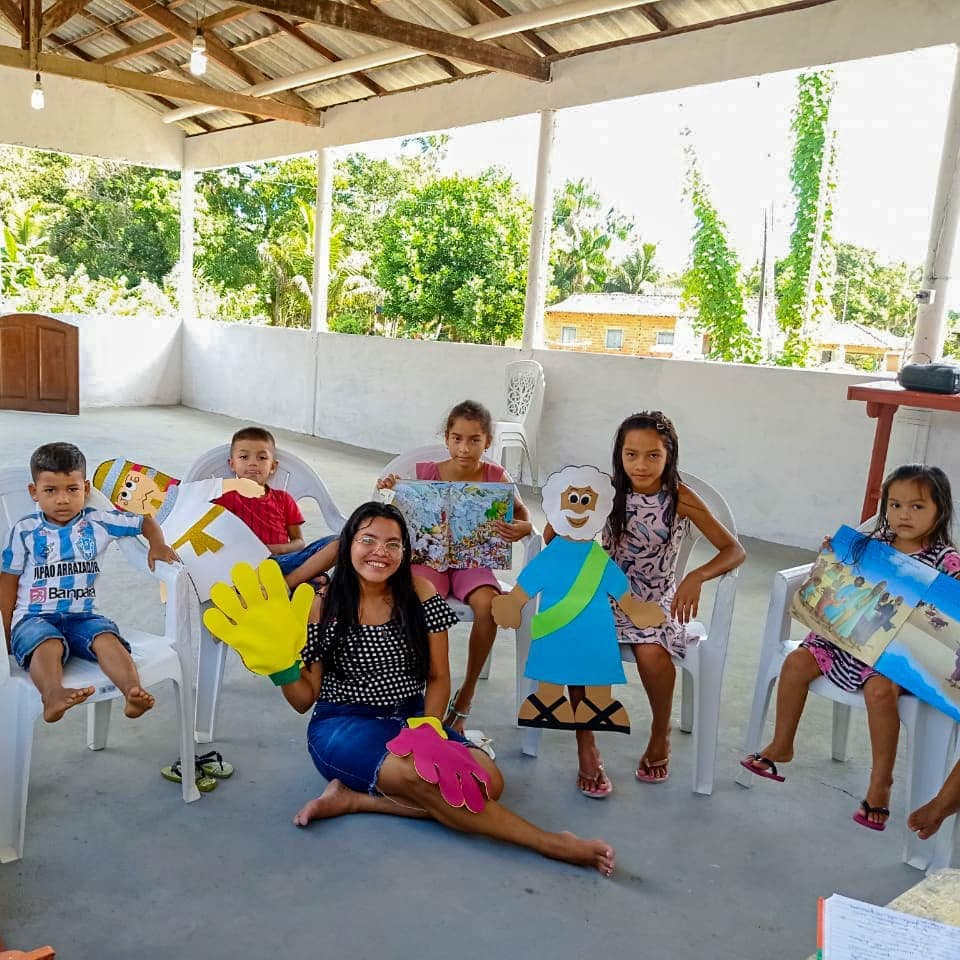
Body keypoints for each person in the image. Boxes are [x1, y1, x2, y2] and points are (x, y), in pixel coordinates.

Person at [256, 501, 615, 875]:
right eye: (368, 540)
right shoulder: (324, 605)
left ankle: (356, 800)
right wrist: (279, 667)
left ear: (405, 551)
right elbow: (303, 700)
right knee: (425, 778)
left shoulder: (420, 592)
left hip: (411, 719)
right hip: (344, 725)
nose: (380, 552)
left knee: (488, 782)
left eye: (393, 544)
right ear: (347, 545)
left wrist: (428, 728)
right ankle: (551, 843)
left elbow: (439, 677)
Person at [741, 464, 960, 831]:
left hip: (895, 655)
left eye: (917, 507)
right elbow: (836, 579)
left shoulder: (946, 561)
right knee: (795, 663)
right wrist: (831, 554)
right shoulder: (871, 546)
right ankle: (782, 744)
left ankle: (880, 783)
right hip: (845, 638)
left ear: (941, 510)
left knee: (879, 693)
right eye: (895, 505)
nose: (903, 514)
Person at [586, 411, 744, 795]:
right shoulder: (606, 492)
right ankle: (586, 746)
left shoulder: (680, 499)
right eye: (631, 454)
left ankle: (660, 733)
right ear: (619, 455)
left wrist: (696, 576)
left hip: (656, 594)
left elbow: (733, 550)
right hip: (606, 592)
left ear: (669, 456)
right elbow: (559, 530)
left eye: (653, 455)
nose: (641, 465)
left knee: (651, 653)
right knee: (583, 642)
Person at [376, 400, 532, 733]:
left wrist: (522, 528)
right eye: (457, 438)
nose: (464, 447)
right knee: (420, 600)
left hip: (472, 560)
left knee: (489, 605)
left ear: (487, 442)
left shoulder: (496, 476)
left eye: (474, 439)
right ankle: (425, 686)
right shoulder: (424, 474)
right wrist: (391, 490)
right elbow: (396, 518)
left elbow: (523, 516)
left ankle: (466, 695)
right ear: (446, 438)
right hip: (429, 561)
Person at [0, 443, 178, 723]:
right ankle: (53, 694)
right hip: (34, 618)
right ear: (34, 492)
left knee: (107, 638)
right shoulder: (24, 531)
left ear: (85, 488)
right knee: (47, 644)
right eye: (50, 490)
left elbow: (144, 521)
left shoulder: (99, 522)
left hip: (82, 616)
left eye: (72, 489)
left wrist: (157, 544)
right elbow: (8, 581)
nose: (62, 500)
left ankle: (132, 691)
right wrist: (7, 631)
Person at [214, 426, 336, 576]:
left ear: (272, 466)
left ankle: (287, 583)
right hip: (244, 567)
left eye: (262, 458)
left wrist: (275, 549)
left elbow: (299, 542)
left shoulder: (284, 499)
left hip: (283, 562)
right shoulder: (223, 499)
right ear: (232, 464)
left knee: (337, 542)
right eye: (244, 457)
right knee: (317, 580)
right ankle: (292, 583)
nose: (253, 463)